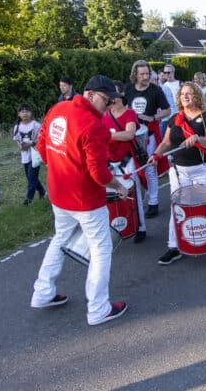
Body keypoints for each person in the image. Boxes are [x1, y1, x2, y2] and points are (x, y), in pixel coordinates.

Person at [31, 75, 129, 326]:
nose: (108, 108)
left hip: (58, 190)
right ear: (89, 94)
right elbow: (98, 173)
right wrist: (118, 185)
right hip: (85, 198)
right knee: (101, 249)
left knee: (60, 238)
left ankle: (42, 292)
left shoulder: (58, 108)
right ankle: (98, 308)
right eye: (106, 101)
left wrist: (60, 166)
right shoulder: (93, 126)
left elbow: (42, 147)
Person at [148, 82, 206, 265]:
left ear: (197, 97)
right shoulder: (175, 119)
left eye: (189, 94)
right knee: (177, 207)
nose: (185, 96)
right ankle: (174, 246)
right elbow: (166, 142)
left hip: (202, 169)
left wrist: (198, 138)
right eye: (182, 94)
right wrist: (156, 154)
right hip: (179, 170)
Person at [102, 80, 147, 243]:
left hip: (126, 160)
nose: (112, 99)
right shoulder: (104, 114)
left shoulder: (130, 114)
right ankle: (114, 226)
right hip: (108, 160)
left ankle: (140, 226)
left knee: (133, 194)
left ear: (121, 95)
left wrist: (106, 135)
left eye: (115, 95)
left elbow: (129, 134)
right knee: (108, 194)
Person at [124, 60, 171, 218]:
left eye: (147, 74)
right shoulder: (128, 89)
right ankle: (138, 201)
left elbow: (167, 111)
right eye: (141, 74)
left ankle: (153, 202)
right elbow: (122, 107)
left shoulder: (156, 90)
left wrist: (152, 117)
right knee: (133, 170)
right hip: (131, 135)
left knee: (150, 168)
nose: (145, 77)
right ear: (135, 75)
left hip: (149, 135)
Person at [12, 103, 46, 206]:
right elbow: (17, 140)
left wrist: (31, 143)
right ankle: (43, 192)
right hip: (24, 155)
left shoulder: (36, 125)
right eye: (22, 111)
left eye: (27, 111)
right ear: (19, 114)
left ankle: (28, 200)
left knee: (31, 178)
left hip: (35, 155)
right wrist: (21, 146)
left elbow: (41, 139)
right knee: (31, 177)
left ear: (31, 113)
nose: (25, 113)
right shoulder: (17, 127)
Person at [159, 64, 181, 136]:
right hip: (165, 118)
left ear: (173, 72)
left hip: (177, 116)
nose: (166, 74)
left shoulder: (180, 84)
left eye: (168, 72)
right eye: (165, 72)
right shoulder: (163, 86)